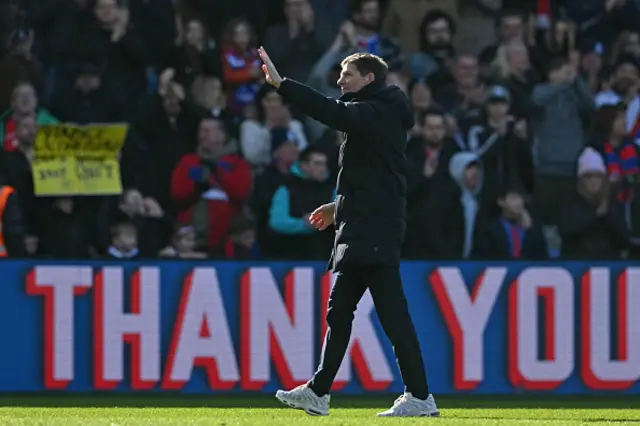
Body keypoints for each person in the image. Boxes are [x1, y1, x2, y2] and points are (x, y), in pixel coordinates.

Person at [258, 47, 439, 417]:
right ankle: (319, 392)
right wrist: (337, 208)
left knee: (390, 316)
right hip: (363, 226)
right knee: (340, 312)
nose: (340, 80)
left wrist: (282, 85)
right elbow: (373, 183)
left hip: (372, 230)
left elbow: (331, 112)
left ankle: (419, 396)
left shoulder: (376, 112)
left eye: (348, 73)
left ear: (369, 78)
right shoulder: (379, 113)